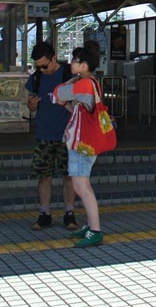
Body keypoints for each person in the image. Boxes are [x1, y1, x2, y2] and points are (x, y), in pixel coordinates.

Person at [52, 47, 105, 248]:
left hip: (84, 144)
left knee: (82, 186)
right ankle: (91, 226)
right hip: (82, 141)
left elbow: (59, 92)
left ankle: (96, 231)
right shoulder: (91, 83)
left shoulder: (84, 84)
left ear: (84, 65)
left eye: (74, 61)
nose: (71, 64)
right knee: (81, 185)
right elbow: (72, 107)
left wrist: (69, 83)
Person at [24, 41, 79, 231]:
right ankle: (44, 213)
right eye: (37, 66)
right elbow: (30, 105)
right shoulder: (37, 78)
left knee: (69, 176)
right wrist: (31, 105)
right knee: (43, 175)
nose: (41, 69)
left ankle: (69, 213)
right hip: (44, 134)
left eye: (44, 65)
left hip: (68, 135)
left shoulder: (69, 74)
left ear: (54, 58)